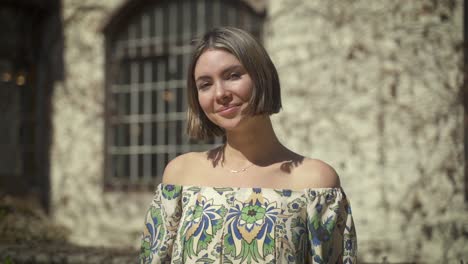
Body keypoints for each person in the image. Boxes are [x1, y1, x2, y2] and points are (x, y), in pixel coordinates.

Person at [140, 27, 357, 264]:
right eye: (205, 84)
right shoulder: (180, 175)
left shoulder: (315, 183)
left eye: (233, 75)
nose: (220, 93)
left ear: (262, 76)